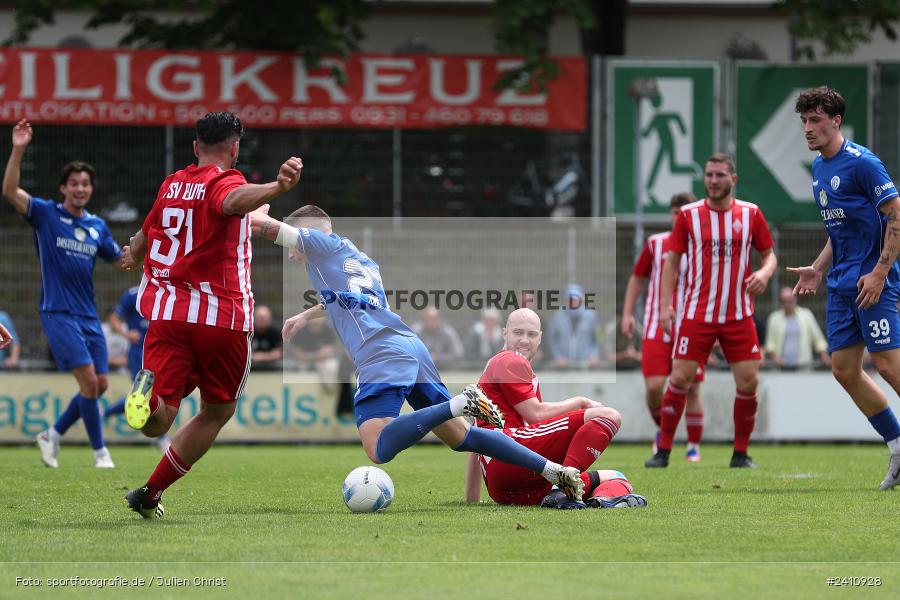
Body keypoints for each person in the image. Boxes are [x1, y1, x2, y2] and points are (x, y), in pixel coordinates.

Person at [251, 204, 587, 504]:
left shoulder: (320, 244)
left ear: (312, 233)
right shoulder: (361, 259)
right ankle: (552, 470)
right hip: (409, 345)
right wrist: (306, 314)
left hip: (380, 350)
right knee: (461, 436)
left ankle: (460, 403)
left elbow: (263, 226)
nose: (292, 255)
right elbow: (349, 300)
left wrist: (257, 212)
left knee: (378, 448)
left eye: (295, 248)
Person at [119, 111, 304, 519]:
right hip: (221, 317)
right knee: (218, 411)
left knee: (161, 415)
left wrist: (131, 254)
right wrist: (278, 185)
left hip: (167, 313)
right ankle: (153, 487)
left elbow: (144, 237)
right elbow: (231, 201)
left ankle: (146, 408)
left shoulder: (171, 184)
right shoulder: (226, 181)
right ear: (234, 148)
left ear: (194, 146)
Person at [790, 86, 900, 490]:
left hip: (872, 283)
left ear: (836, 121)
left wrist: (880, 273)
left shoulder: (863, 164)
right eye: (804, 121)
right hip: (839, 286)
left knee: (888, 366)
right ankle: (897, 444)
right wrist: (818, 268)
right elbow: (840, 229)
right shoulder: (820, 168)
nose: (808, 128)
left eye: (815, 120)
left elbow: (896, 216)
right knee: (844, 370)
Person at [3, 119, 128, 469]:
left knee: (100, 384)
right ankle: (100, 452)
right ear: (63, 188)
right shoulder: (45, 214)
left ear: (90, 189)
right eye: (74, 183)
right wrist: (18, 149)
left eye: (85, 183)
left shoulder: (97, 226)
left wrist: (143, 249)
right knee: (89, 381)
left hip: (89, 316)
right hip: (57, 312)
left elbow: (119, 261)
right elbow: (11, 191)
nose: (80, 188)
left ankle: (52, 434)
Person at [645, 153, 777, 469]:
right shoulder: (688, 215)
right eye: (709, 175)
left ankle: (740, 454)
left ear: (734, 179)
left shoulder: (751, 214)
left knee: (748, 382)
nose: (714, 181)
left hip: (738, 314)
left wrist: (765, 272)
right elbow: (672, 262)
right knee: (680, 379)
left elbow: (769, 255)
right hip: (696, 314)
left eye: (720, 175)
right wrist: (665, 306)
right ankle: (662, 451)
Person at [465, 308, 647, 509]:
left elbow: (474, 437)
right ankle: (563, 486)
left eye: (531, 334)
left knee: (617, 478)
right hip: (510, 457)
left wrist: (472, 498)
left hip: (504, 487)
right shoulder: (510, 360)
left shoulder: (496, 366)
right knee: (608, 416)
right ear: (504, 333)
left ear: (540, 338)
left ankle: (602, 500)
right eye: (518, 332)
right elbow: (536, 414)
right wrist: (581, 402)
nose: (525, 340)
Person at [622, 192, 706, 462]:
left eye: (684, 212)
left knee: (691, 388)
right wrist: (627, 314)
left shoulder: (704, 244)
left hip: (692, 325)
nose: (678, 217)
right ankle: (663, 431)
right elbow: (637, 278)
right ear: (670, 215)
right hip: (656, 326)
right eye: (675, 212)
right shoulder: (655, 243)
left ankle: (693, 445)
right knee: (654, 387)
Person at [102, 285, 170, 452]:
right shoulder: (133, 294)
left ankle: (103, 413)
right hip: (139, 353)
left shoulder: (169, 290)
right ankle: (161, 439)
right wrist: (127, 335)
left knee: (153, 395)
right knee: (144, 393)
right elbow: (114, 319)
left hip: (162, 351)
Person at [765, 286, 830, 370]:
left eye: (789, 301)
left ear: (795, 299)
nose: (787, 304)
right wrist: (775, 357)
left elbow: (818, 339)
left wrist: (824, 355)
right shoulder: (774, 318)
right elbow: (770, 343)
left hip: (803, 367)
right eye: (784, 301)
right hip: (781, 368)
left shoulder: (806, 315)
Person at [547, 284, 600, 369]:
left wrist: (594, 355)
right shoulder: (557, 317)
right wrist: (558, 356)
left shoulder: (592, 316)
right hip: (564, 366)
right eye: (570, 299)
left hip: (586, 364)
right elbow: (552, 339)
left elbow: (599, 338)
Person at [412, 306, 464, 370]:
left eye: (433, 319)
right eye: (428, 319)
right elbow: (407, 352)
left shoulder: (448, 332)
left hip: (446, 370)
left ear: (439, 319)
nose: (431, 322)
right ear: (423, 319)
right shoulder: (416, 332)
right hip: (420, 369)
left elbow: (458, 354)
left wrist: (438, 357)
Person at [251, 305, 283, 370]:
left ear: (270, 318)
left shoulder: (275, 333)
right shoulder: (248, 333)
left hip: (272, 368)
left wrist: (261, 357)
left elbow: (279, 353)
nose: (262, 320)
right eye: (260, 318)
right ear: (254, 318)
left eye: (265, 317)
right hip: (250, 368)